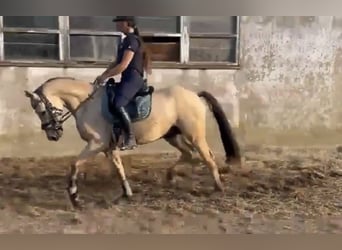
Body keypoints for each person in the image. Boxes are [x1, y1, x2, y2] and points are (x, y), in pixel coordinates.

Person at [95, 16, 152, 151]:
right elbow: (115, 63)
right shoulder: (125, 41)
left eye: (119, 22)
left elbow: (123, 65)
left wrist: (106, 76)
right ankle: (116, 133)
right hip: (127, 78)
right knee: (111, 97)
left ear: (127, 24)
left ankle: (130, 138)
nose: (116, 25)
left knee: (118, 103)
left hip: (133, 79)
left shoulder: (132, 40)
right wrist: (102, 75)